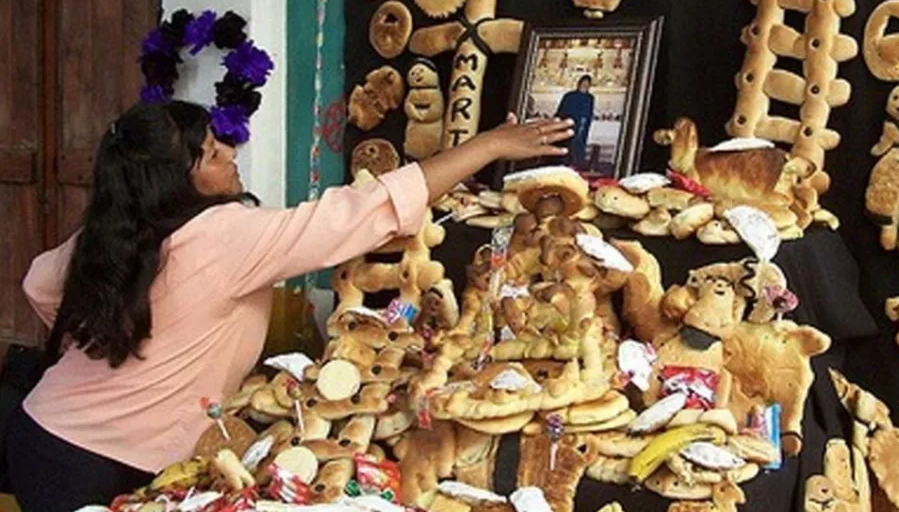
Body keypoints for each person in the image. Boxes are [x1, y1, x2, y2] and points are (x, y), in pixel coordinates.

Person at [2, 100, 573, 512]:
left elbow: (39, 286)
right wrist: (492, 145)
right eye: (209, 152)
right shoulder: (224, 235)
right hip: (99, 465)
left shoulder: (110, 234)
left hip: (42, 435)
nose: (229, 153)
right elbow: (358, 212)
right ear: (179, 180)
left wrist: (118, 335)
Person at [555, 75, 596, 168]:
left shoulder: (590, 97)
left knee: (578, 146)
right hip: (569, 124)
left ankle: (576, 164)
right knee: (567, 145)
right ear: (579, 84)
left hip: (582, 126)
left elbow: (589, 112)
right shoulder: (569, 95)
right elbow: (561, 110)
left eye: (587, 84)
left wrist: (585, 122)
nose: (585, 86)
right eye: (583, 83)